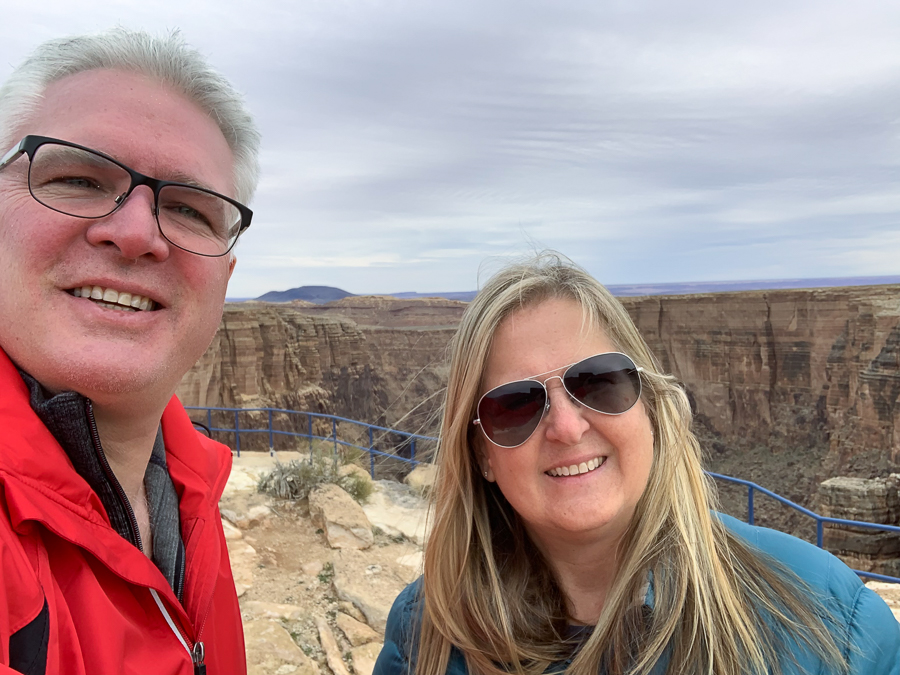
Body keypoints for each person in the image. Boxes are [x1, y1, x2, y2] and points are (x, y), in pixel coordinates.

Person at [374, 253, 900, 675]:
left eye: (598, 381)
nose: (567, 427)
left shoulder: (830, 621)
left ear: (648, 402)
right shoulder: (425, 636)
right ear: (481, 453)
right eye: (515, 405)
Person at [0, 28, 259, 674]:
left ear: (224, 281)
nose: (137, 233)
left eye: (192, 210)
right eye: (78, 178)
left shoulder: (192, 488)